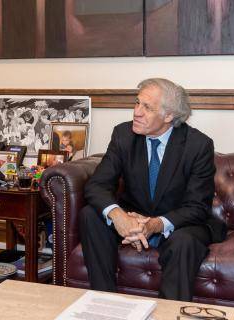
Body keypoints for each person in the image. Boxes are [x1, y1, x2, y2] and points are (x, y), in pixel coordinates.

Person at [79, 78, 226, 302]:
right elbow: (97, 184)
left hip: (178, 223)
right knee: (90, 214)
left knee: (184, 242)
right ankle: (104, 302)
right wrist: (119, 217)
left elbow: (197, 207)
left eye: (147, 107)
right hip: (133, 215)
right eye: (137, 103)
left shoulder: (198, 146)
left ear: (169, 116)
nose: (136, 112)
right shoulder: (123, 135)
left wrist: (154, 224)